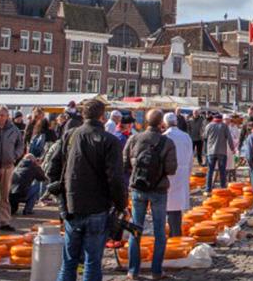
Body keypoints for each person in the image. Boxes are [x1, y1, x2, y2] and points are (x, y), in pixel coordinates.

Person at [50, 99, 126, 281]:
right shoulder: (110, 141)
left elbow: (54, 165)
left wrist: (61, 192)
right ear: (102, 116)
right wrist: (121, 204)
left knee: (69, 260)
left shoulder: (70, 135)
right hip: (97, 205)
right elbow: (115, 178)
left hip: (72, 203)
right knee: (92, 261)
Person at [122, 110, 177, 281]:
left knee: (135, 229)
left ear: (145, 121)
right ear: (162, 123)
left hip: (138, 189)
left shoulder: (134, 138)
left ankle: (133, 271)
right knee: (160, 231)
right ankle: (156, 271)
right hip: (159, 190)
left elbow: (124, 162)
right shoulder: (167, 143)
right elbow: (171, 169)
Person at [0, 106, 24, 231]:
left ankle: (5, 221)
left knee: (5, 196)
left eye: (2, 115)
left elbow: (20, 145)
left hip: (8, 166)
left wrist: (15, 155)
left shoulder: (14, 130)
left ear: (8, 116)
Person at [162, 112, 194, 238]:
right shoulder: (186, 136)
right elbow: (191, 157)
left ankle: (173, 233)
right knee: (177, 206)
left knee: (170, 206)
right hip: (183, 172)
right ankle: (175, 231)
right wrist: (188, 172)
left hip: (170, 173)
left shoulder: (165, 136)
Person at [204, 113, 231, 192]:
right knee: (222, 171)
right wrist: (233, 148)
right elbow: (229, 138)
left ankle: (208, 189)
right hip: (222, 152)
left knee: (210, 171)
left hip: (211, 152)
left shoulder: (208, 126)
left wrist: (206, 150)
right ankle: (223, 188)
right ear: (221, 119)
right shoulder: (224, 126)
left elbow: (205, 138)